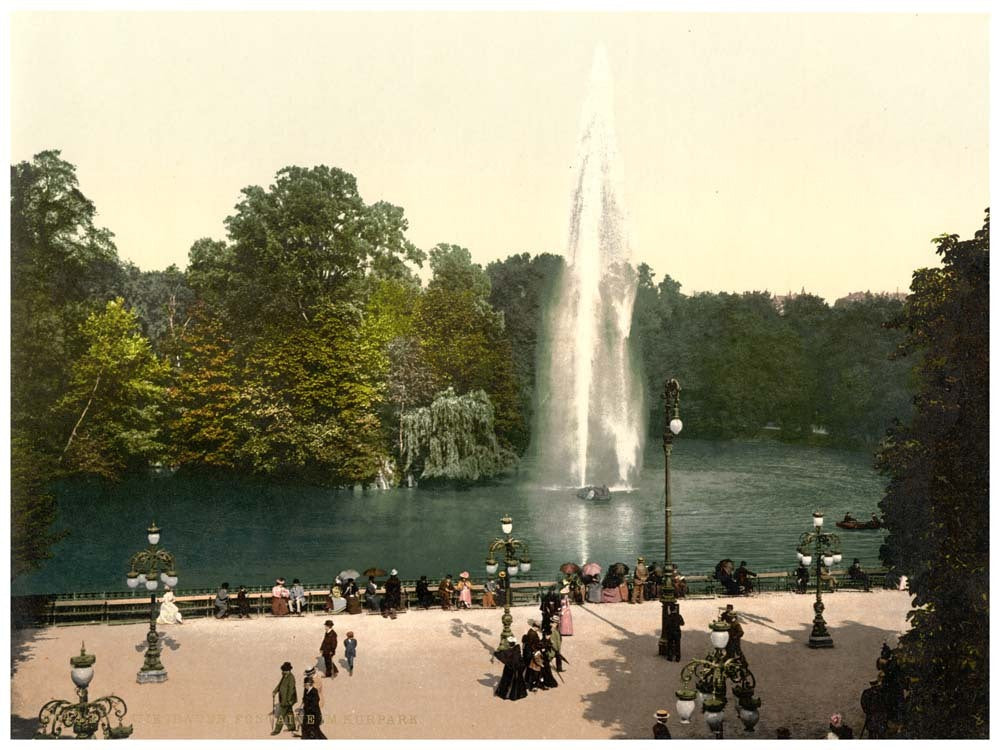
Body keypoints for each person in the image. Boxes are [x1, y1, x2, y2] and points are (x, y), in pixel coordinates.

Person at [493, 636, 528, 701]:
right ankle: (516, 694)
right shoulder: (517, 650)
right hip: (516, 669)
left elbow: (500, 655)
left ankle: (507, 694)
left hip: (510, 669)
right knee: (517, 682)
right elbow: (518, 660)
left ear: (509, 643)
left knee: (507, 681)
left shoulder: (508, 651)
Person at [271, 662, 297, 736]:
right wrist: (275, 691)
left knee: (281, 715)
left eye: (284, 670)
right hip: (284, 699)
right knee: (289, 713)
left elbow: (291, 690)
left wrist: (288, 700)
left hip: (287, 700)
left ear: (289, 670)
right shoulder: (284, 676)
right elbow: (280, 685)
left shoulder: (291, 677)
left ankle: (277, 730)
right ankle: (292, 727)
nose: (283, 672)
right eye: (283, 670)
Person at [300, 675, 325, 739]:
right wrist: (301, 707)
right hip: (307, 713)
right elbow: (304, 699)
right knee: (305, 728)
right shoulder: (306, 690)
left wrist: (306, 708)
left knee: (315, 730)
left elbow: (314, 704)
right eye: (304, 684)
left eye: (305, 684)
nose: (304, 686)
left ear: (309, 684)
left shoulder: (314, 691)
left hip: (314, 714)